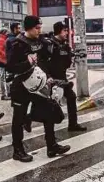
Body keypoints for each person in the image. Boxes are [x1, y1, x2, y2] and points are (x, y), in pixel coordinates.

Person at [7, 16, 70, 162]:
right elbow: (10, 67)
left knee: (49, 112)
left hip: (39, 84)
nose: (39, 30)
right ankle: (18, 150)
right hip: (21, 85)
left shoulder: (41, 41)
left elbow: (42, 62)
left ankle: (52, 145)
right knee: (18, 117)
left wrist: (48, 77)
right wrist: (26, 62)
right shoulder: (16, 43)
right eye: (37, 28)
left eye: (40, 27)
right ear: (28, 28)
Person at [47, 22, 86, 131]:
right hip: (52, 79)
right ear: (58, 31)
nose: (67, 33)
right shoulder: (50, 45)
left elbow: (67, 62)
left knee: (71, 97)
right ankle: (30, 119)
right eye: (64, 30)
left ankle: (73, 124)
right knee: (48, 103)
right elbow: (44, 62)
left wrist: (72, 56)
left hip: (62, 78)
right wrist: (48, 76)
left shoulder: (64, 45)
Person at [0, 29, 10, 100]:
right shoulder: (1, 40)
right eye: (7, 33)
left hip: (3, 60)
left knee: (4, 78)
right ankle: (4, 94)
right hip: (2, 61)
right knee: (3, 78)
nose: (8, 34)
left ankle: (6, 93)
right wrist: (6, 56)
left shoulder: (3, 40)